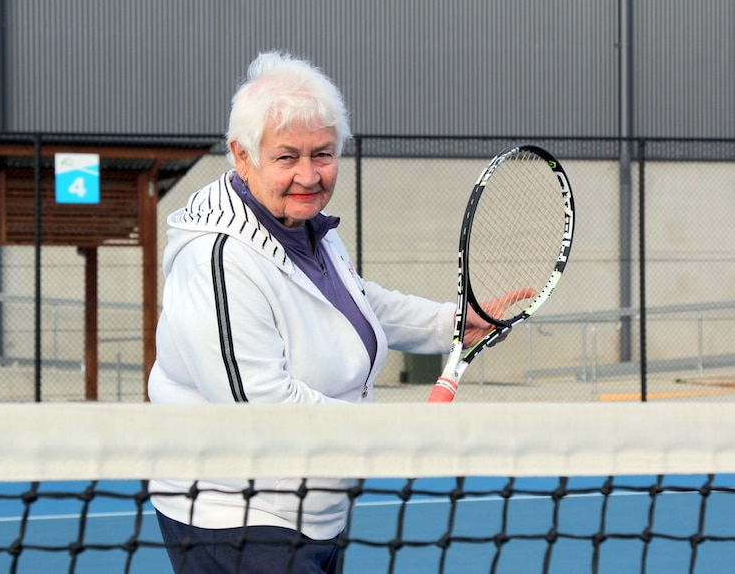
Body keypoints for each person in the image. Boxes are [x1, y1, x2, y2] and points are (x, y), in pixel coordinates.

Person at [147, 51, 524, 574]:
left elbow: (354, 304)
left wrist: (451, 322)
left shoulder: (309, 228)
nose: (308, 175)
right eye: (286, 157)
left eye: (322, 154)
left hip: (321, 507)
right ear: (242, 156)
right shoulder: (217, 261)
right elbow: (259, 407)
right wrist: (390, 437)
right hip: (238, 518)